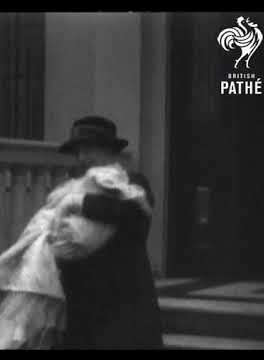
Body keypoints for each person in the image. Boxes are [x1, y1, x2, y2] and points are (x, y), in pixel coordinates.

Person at [51, 115, 164, 349]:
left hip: (123, 307)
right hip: (81, 308)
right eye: (78, 151)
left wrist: (79, 202)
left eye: (89, 149)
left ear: (109, 151)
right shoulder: (73, 187)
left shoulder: (131, 184)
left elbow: (129, 212)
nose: (82, 158)